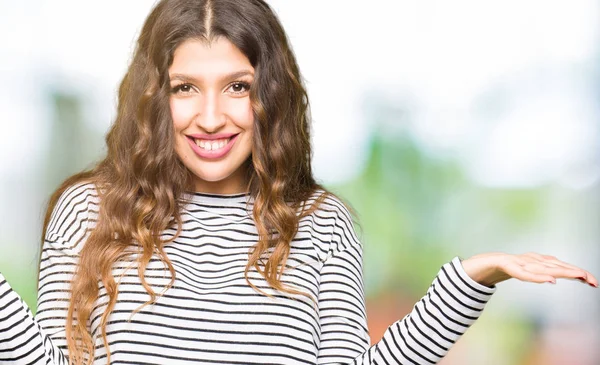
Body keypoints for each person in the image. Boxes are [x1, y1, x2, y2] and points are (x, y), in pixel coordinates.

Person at [0, 0, 597, 364]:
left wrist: (472, 278)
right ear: (156, 99)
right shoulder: (90, 211)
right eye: (187, 88)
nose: (211, 116)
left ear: (270, 96)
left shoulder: (320, 225)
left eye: (238, 86)